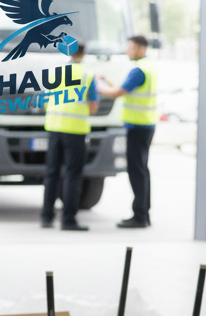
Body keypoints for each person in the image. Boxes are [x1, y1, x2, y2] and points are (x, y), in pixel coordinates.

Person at [99, 34, 158, 228]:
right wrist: (107, 82)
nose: (127, 50)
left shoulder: (138, 70)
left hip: (138, 127)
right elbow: (124, 89)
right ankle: (144, 214)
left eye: (130, 47)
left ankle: (139, 216)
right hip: (146, 125)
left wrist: (96, 86)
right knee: (142, 170)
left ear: (141, 48)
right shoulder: (148, 67)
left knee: (137, 171)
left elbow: (117, 94)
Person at [40, 42, 98, 231]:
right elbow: (93, 106)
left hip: (54, 128)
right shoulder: (87, 75)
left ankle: (46, 218)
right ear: (83, 54)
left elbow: (45, 102)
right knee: (72, 175)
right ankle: (68, 220)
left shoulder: (54, 73)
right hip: (75, 130)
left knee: (51, 173)